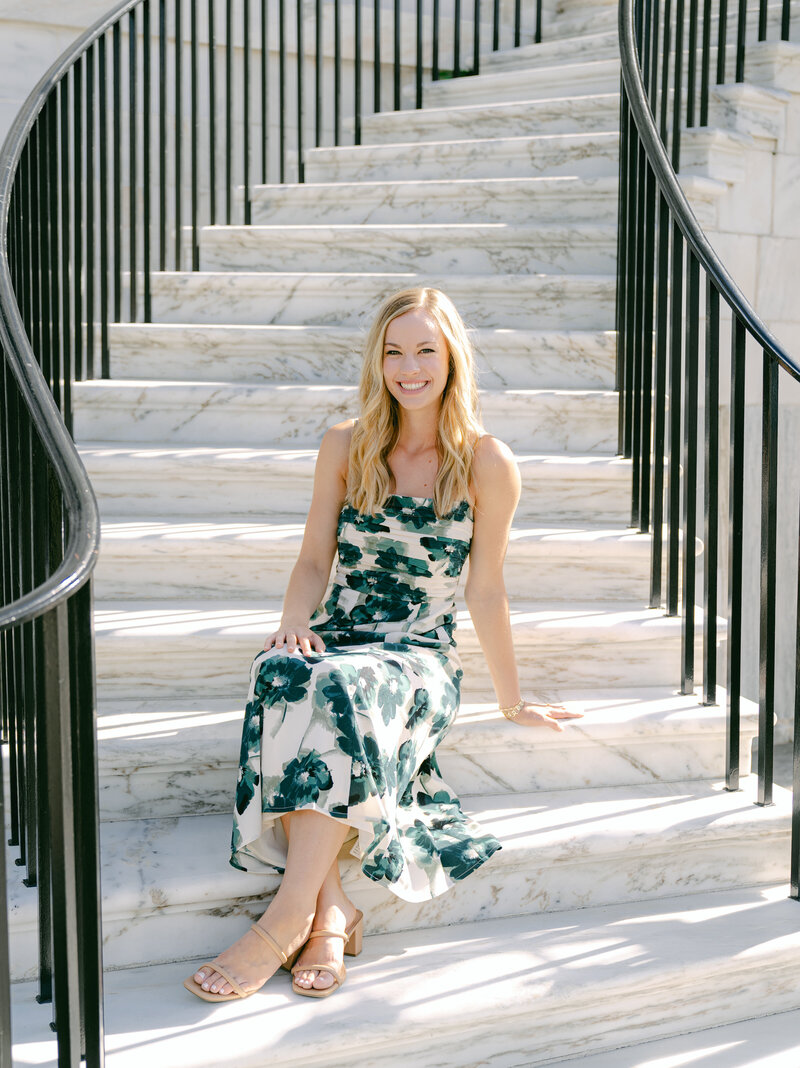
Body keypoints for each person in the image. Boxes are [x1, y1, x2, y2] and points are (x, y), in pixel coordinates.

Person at [184, 286, 582, 1003]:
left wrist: (512, 698)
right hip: (338, 637)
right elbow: (313, 561)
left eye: (425, 349)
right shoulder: (347, 443)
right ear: (378, 361)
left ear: (452, 356)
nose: (409, 367)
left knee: (336, 689)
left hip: (418, 654)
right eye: (395, 351)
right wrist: (293, 622)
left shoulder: (488, 461)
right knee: (282, 670)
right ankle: (331, 908)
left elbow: (485, 590)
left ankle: (285, 918)